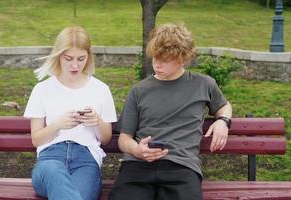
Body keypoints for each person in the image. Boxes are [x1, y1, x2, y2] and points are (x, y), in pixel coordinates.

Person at [108, 23, 232, 200]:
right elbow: (124, 139)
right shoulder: (139, 90)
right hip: (138, 165)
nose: (157, 64)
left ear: (183, 59)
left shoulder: (203, 84)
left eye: (164, 59)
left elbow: (224, 106)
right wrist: (137, 150)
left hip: (181, 166)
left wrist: (223, 121)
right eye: (155, 57)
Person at [24, 26, 117, 200]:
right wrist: (58, 124)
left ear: (88, 56)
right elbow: (36, 140)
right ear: (58, 55)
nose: (75, 65)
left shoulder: (100, 89)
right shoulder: (42, 89)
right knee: (54, 170)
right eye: (68, 59)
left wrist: (96, 121)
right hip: (50, 159)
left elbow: (105, 139)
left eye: (81, 58)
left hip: (86, 160)